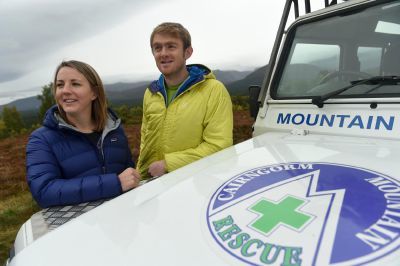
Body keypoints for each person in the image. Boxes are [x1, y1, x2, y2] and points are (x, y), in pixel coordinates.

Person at [26, 60, 141, 208]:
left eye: (75, 84)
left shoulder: (113, 130)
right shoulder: (41, 140)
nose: (65, 90)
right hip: (78, 228)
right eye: (60, 85)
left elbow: (128, 176)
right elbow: (45, 191)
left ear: (94, 93)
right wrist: (114, 183)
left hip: (122, 220)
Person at [137, 22, 233, 179]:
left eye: (171, 46)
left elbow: (219, 146)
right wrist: (141, 174)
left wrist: (168, 164)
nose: (163, 53)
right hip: (151, 184)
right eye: (158, 48)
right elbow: (145, 142)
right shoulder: (151, 93)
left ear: (187, 52)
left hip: (194, 184)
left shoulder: (213, 90)